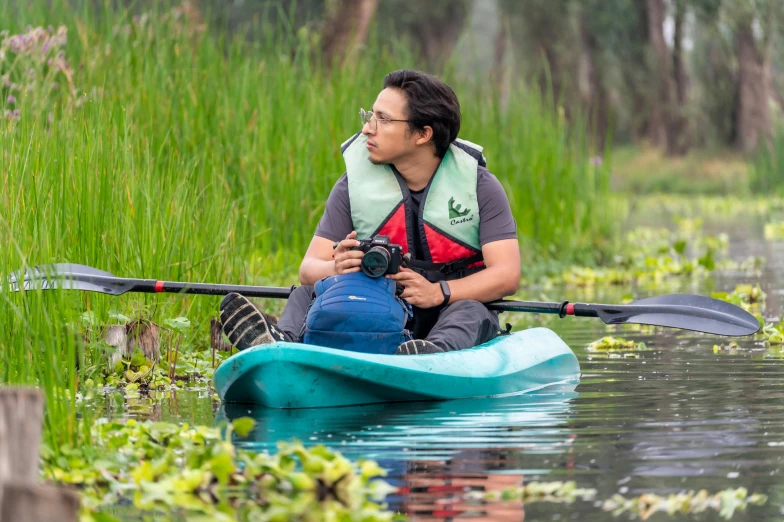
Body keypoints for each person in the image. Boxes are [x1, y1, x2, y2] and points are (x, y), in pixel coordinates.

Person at [220, 69, 520, 355]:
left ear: (423, 134)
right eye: (369, 116)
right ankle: (280, 344)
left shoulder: (478, 186)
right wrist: (335, 268)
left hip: (451, 309)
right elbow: (309, 268)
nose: (367, 129)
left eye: (383, 119)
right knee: (308, 292)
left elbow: (506, 275)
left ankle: (432, 355)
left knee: (469, 310)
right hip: (379, 309)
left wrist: (438, 292)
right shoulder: (352, 186)